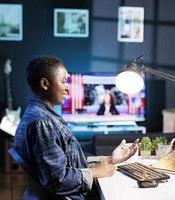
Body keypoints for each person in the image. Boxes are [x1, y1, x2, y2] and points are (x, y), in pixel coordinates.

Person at [12, 55, 139, 200]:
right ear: (44, 84)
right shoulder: (43, 123)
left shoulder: (38, 115)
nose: (67, 88)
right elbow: (57, 179)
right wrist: (95, 172)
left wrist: (109, 159)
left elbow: (68, 163)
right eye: (64, 81)